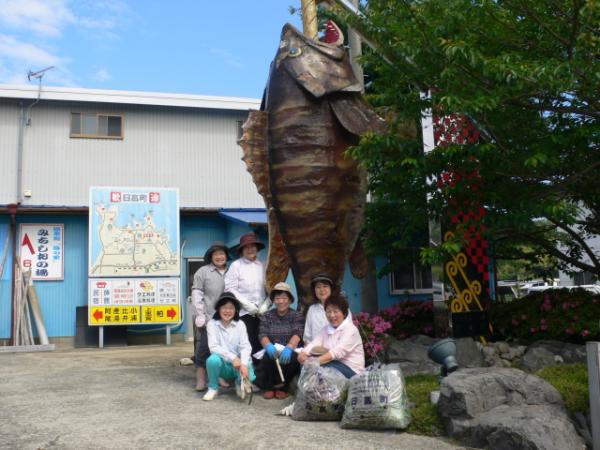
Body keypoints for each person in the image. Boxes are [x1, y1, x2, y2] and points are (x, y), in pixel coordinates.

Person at [203, 292, 256, 401]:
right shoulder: (212, 324)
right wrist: (233, 358)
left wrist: (244, 364)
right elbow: (213, 347)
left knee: (249, 375)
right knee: (212, 360)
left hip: (238, 365)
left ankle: (238, 383)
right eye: (224, 307)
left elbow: (245, 346)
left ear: (236, 310)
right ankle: (213, 387)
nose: (227, 311)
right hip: (223, 363)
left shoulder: (240, 324)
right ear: (218, 309)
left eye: (231, 308)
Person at [191, 241, 229, 391]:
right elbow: (197, 293)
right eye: (216, 254)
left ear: (226, 255)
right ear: (211, 257)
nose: (219, 257)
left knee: (224, 348)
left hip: (228, 318)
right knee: (204, 349)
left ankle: (219, 377)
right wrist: (200, 314)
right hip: (210, 317)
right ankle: (201, 380)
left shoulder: (232, 270)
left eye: (222, 253)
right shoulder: (203, 271)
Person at [224, 232, 270, 356]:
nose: (250, 249)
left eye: (252, 246)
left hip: (262, 312)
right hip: (244, 313)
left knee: (262, 345)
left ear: (257, 248)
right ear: (242, 250)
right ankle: (246, 373)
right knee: (246, 345)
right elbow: (230, 288)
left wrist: (266, 304)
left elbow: (271, 288)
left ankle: (261, 374)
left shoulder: (264, 265)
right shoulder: (236, 266)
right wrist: (247, 304)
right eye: (246, 247)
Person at [298, 295, 365, 379]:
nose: (332, 315)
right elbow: (314, 343)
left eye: (335, 311)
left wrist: (315, 361)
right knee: (306, 363)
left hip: (352, 372)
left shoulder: (351, 330)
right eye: (328, 312)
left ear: (344, 313)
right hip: (334, 366)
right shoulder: (325, 330)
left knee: (322, 365)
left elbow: (337, 352)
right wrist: (303, 354)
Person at [257, 282, 304, 399]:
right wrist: (267, 345)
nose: (281, 301)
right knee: (268, 357)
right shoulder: (267, 315)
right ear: (273, 300)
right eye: (277, 298)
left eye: (284, 298)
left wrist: (289, 347)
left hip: (289, 348)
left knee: (293, 359)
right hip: (273, 348)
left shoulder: (297, 315)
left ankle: (283, 387)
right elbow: (262, 333)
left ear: (290, 300)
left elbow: (298, 333)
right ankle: (269, 387)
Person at [303, 275, 352, 345]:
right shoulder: (312, 309)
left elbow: (349, 334)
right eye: (318, 287)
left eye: (325, 286)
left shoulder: (342, 307)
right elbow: (307, 338)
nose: (322, 290)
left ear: (331, 289)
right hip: (316, 352)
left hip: (338, 352)